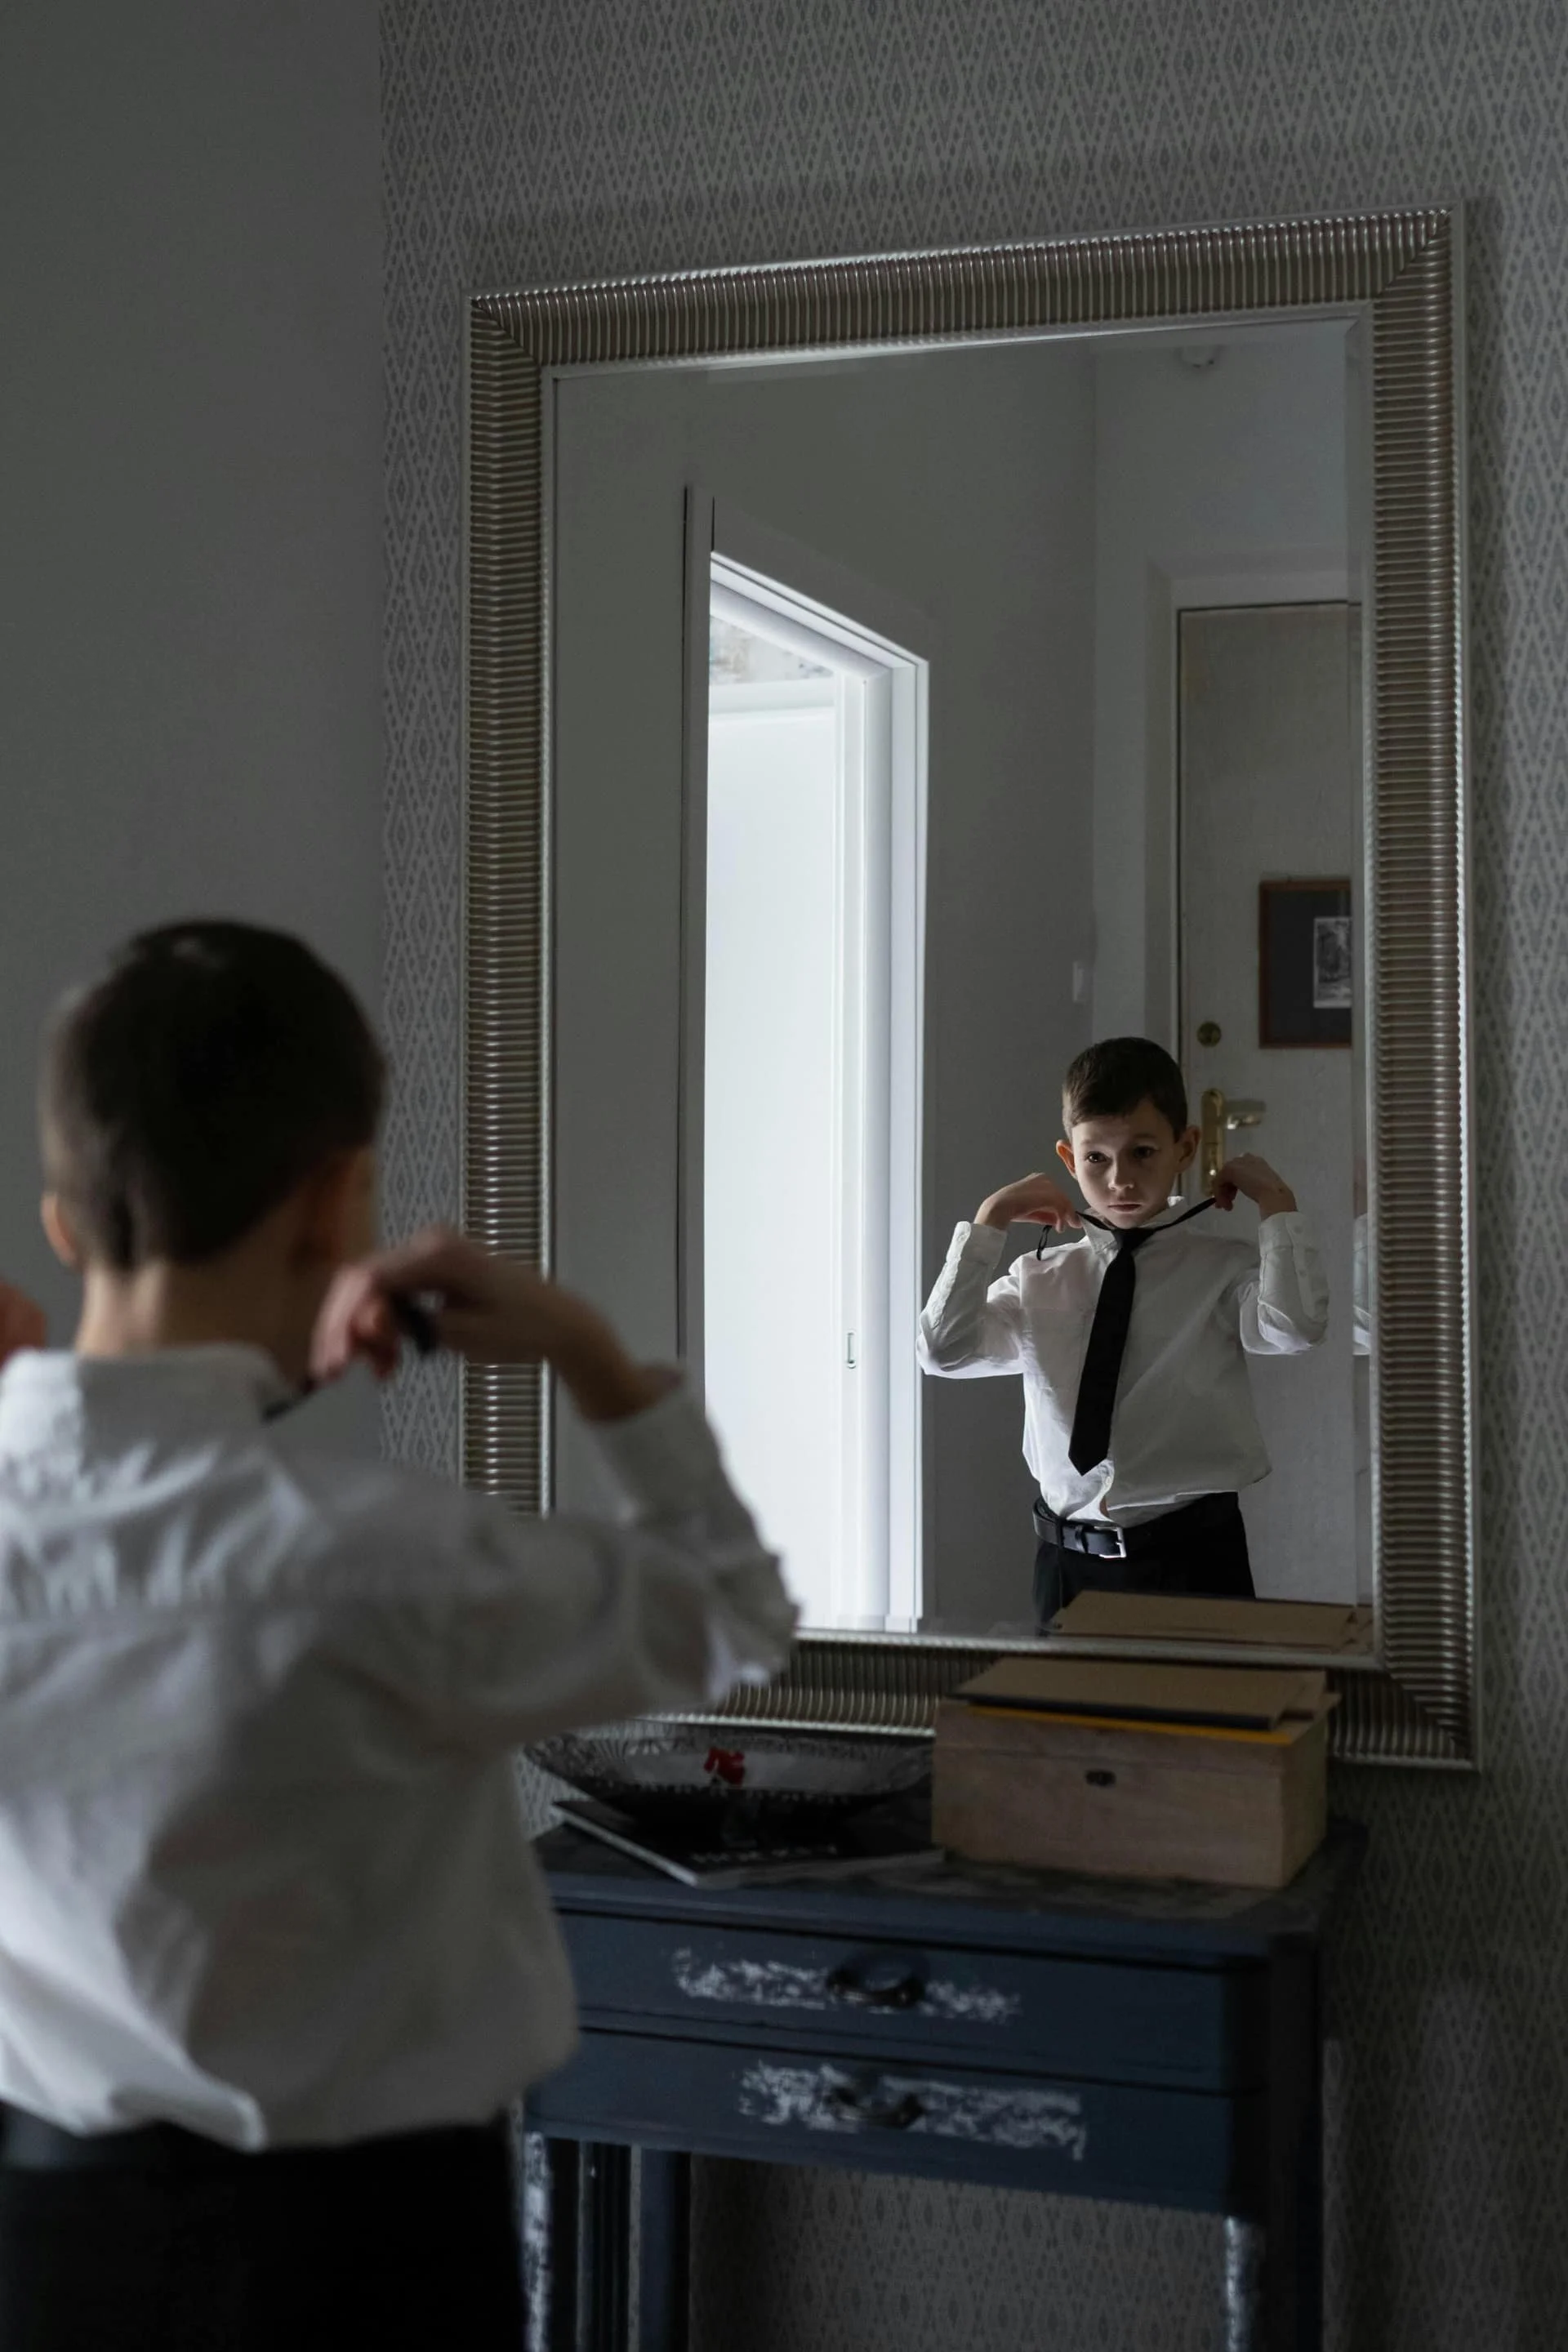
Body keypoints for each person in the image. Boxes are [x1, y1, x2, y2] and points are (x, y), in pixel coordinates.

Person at [0, 920, 795, 2352]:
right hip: (365, 2267)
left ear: (63, 1220)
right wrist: (587, 1357)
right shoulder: (382, 1557)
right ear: (337, 1204)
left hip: (42, 2258)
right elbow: (732, 1615)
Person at [918, 1036, 1327, 1624]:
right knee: (1069, 1716)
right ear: (1068, 1157)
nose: (1120, 1181)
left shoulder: (1222, 1270)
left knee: (1208, 1716)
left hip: (1195, 1560)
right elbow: (943, 1351)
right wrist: (990, 1221)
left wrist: (1277, 1204)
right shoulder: (1038, 1278)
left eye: (1142, 1152)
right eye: (1097, 1159)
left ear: (1184, 1147)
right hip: (1066, 1565)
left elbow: (1295, 1329)